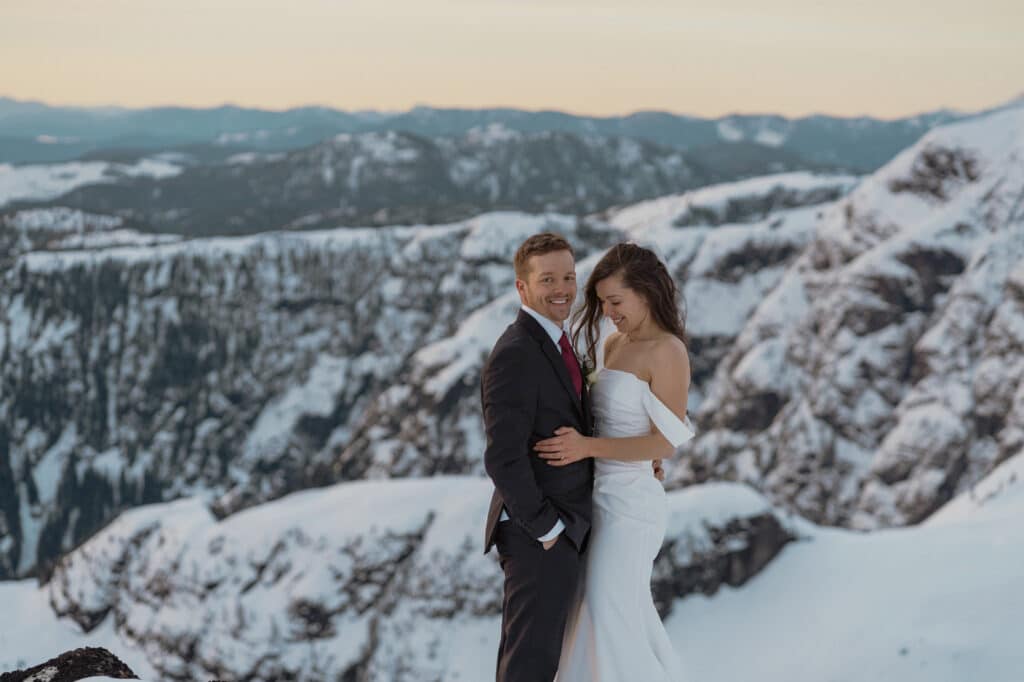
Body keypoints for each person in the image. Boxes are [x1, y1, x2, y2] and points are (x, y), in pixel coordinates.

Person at [535, 242, 695, 682]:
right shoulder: (612, 343)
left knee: (610, 608)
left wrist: (588, 448)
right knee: (590, 609)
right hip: (596, 497)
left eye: (616, 301)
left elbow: (664, 444)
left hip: (632, 505)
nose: (607, 311)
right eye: (602, 302)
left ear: (645, 292)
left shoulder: (668, 351)